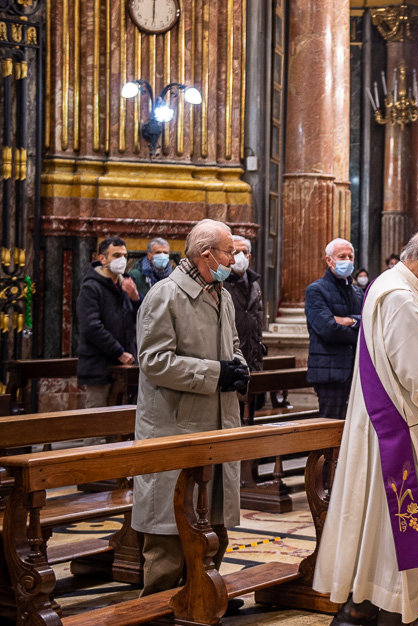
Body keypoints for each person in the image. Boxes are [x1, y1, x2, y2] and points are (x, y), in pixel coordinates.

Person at [313, 228, 418, 626]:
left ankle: (383, 606)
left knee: (381, 524)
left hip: (391, 423)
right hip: (400, 428)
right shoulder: (401, 299)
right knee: (389, 521)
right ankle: (379, 608)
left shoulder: (394, 286)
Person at [133, 219, 249, 606]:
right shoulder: (165, 296)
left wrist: (238, 366)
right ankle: (160, 606)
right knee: (168, 528)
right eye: (229, 251)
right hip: (175, 426)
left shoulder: (222, 294)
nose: (234, 258)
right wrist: (217, 373)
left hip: (216, 424)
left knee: (213, 519)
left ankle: (205, 590)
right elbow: (154, 361)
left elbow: (232, 343)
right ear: (205, 254)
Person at [77, 236, 140, 413]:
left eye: (125, 255)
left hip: (125, 369)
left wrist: (135, 298)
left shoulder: (126, 284)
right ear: (102, 259)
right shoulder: (91, 287)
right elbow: (91, 326)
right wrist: (118, 352)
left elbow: (142, 319)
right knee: (96, 423)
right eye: (116, 255)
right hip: (99, 367)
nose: (122, 260)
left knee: (119, 426)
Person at [305, 238, 364, 420]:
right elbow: (328, 329)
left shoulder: (357, 292)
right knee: (330, 423)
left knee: (355, 426)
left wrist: (349, 321)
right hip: (329, 371)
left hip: (356, 370)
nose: (347, 260)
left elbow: (369, 325)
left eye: (350, 257)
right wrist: (357, 327)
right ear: (329, 260)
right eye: (342, 256)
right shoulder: (316, 290)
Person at [224, 235, 271, 413]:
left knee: (252, 413)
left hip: (252, 360)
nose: (241, 256)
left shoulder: (255, 285)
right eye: (236, 252)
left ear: (250, 257)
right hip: (232, 360)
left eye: (245, 252)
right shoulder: (221, 284)